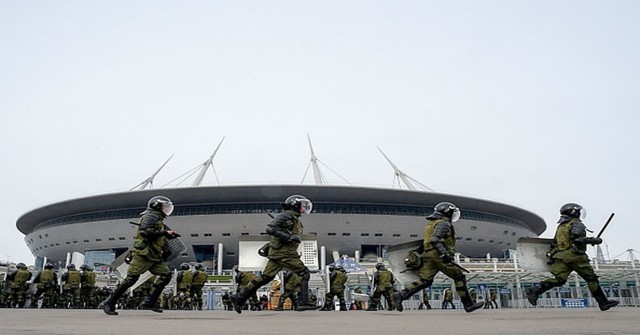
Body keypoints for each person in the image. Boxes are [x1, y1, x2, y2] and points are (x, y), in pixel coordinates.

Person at [230, 195, 321, 313]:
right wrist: (288, 237)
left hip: (279, 252)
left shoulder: (293, 218)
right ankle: (303, 302)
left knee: (266, 277)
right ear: (296, 205)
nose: (305, 207)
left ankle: (239, 297)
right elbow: (270, 229)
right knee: (304, 273)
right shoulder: (286, 216)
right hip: (284, 253)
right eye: (303, 205)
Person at [391, 202, 484, 313]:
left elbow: (428, 241)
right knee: (459, 277)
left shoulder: (430, 224)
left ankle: (400, 295)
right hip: (438, 255)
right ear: (448, 213)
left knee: (425, 280)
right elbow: (434, 240)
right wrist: (444, 254)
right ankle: (468, 305)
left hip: (428, 255)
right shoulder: (443, 224)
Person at [525, 203, 619, 311]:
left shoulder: (561, 226)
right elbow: (577, 240)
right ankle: (603, 302)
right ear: (574, 212)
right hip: (575, 257)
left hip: (560, 256)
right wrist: (593, 240)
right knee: (591, 279)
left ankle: (535, 290)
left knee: (559, 279)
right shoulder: (576, 224)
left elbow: (555, 242)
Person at [99, 195, 180, 316]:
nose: (166, 210)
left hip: (154, 255)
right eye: (165, 207)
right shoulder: (150, 216)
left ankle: (148, 302)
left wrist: (166, 235)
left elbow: (154, 234)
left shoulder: (157, 218)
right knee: (131, 280)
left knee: (166, 275)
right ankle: (109, 302)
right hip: (143, 254)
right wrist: (164, 233)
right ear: (157, 207)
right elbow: (145, 232)